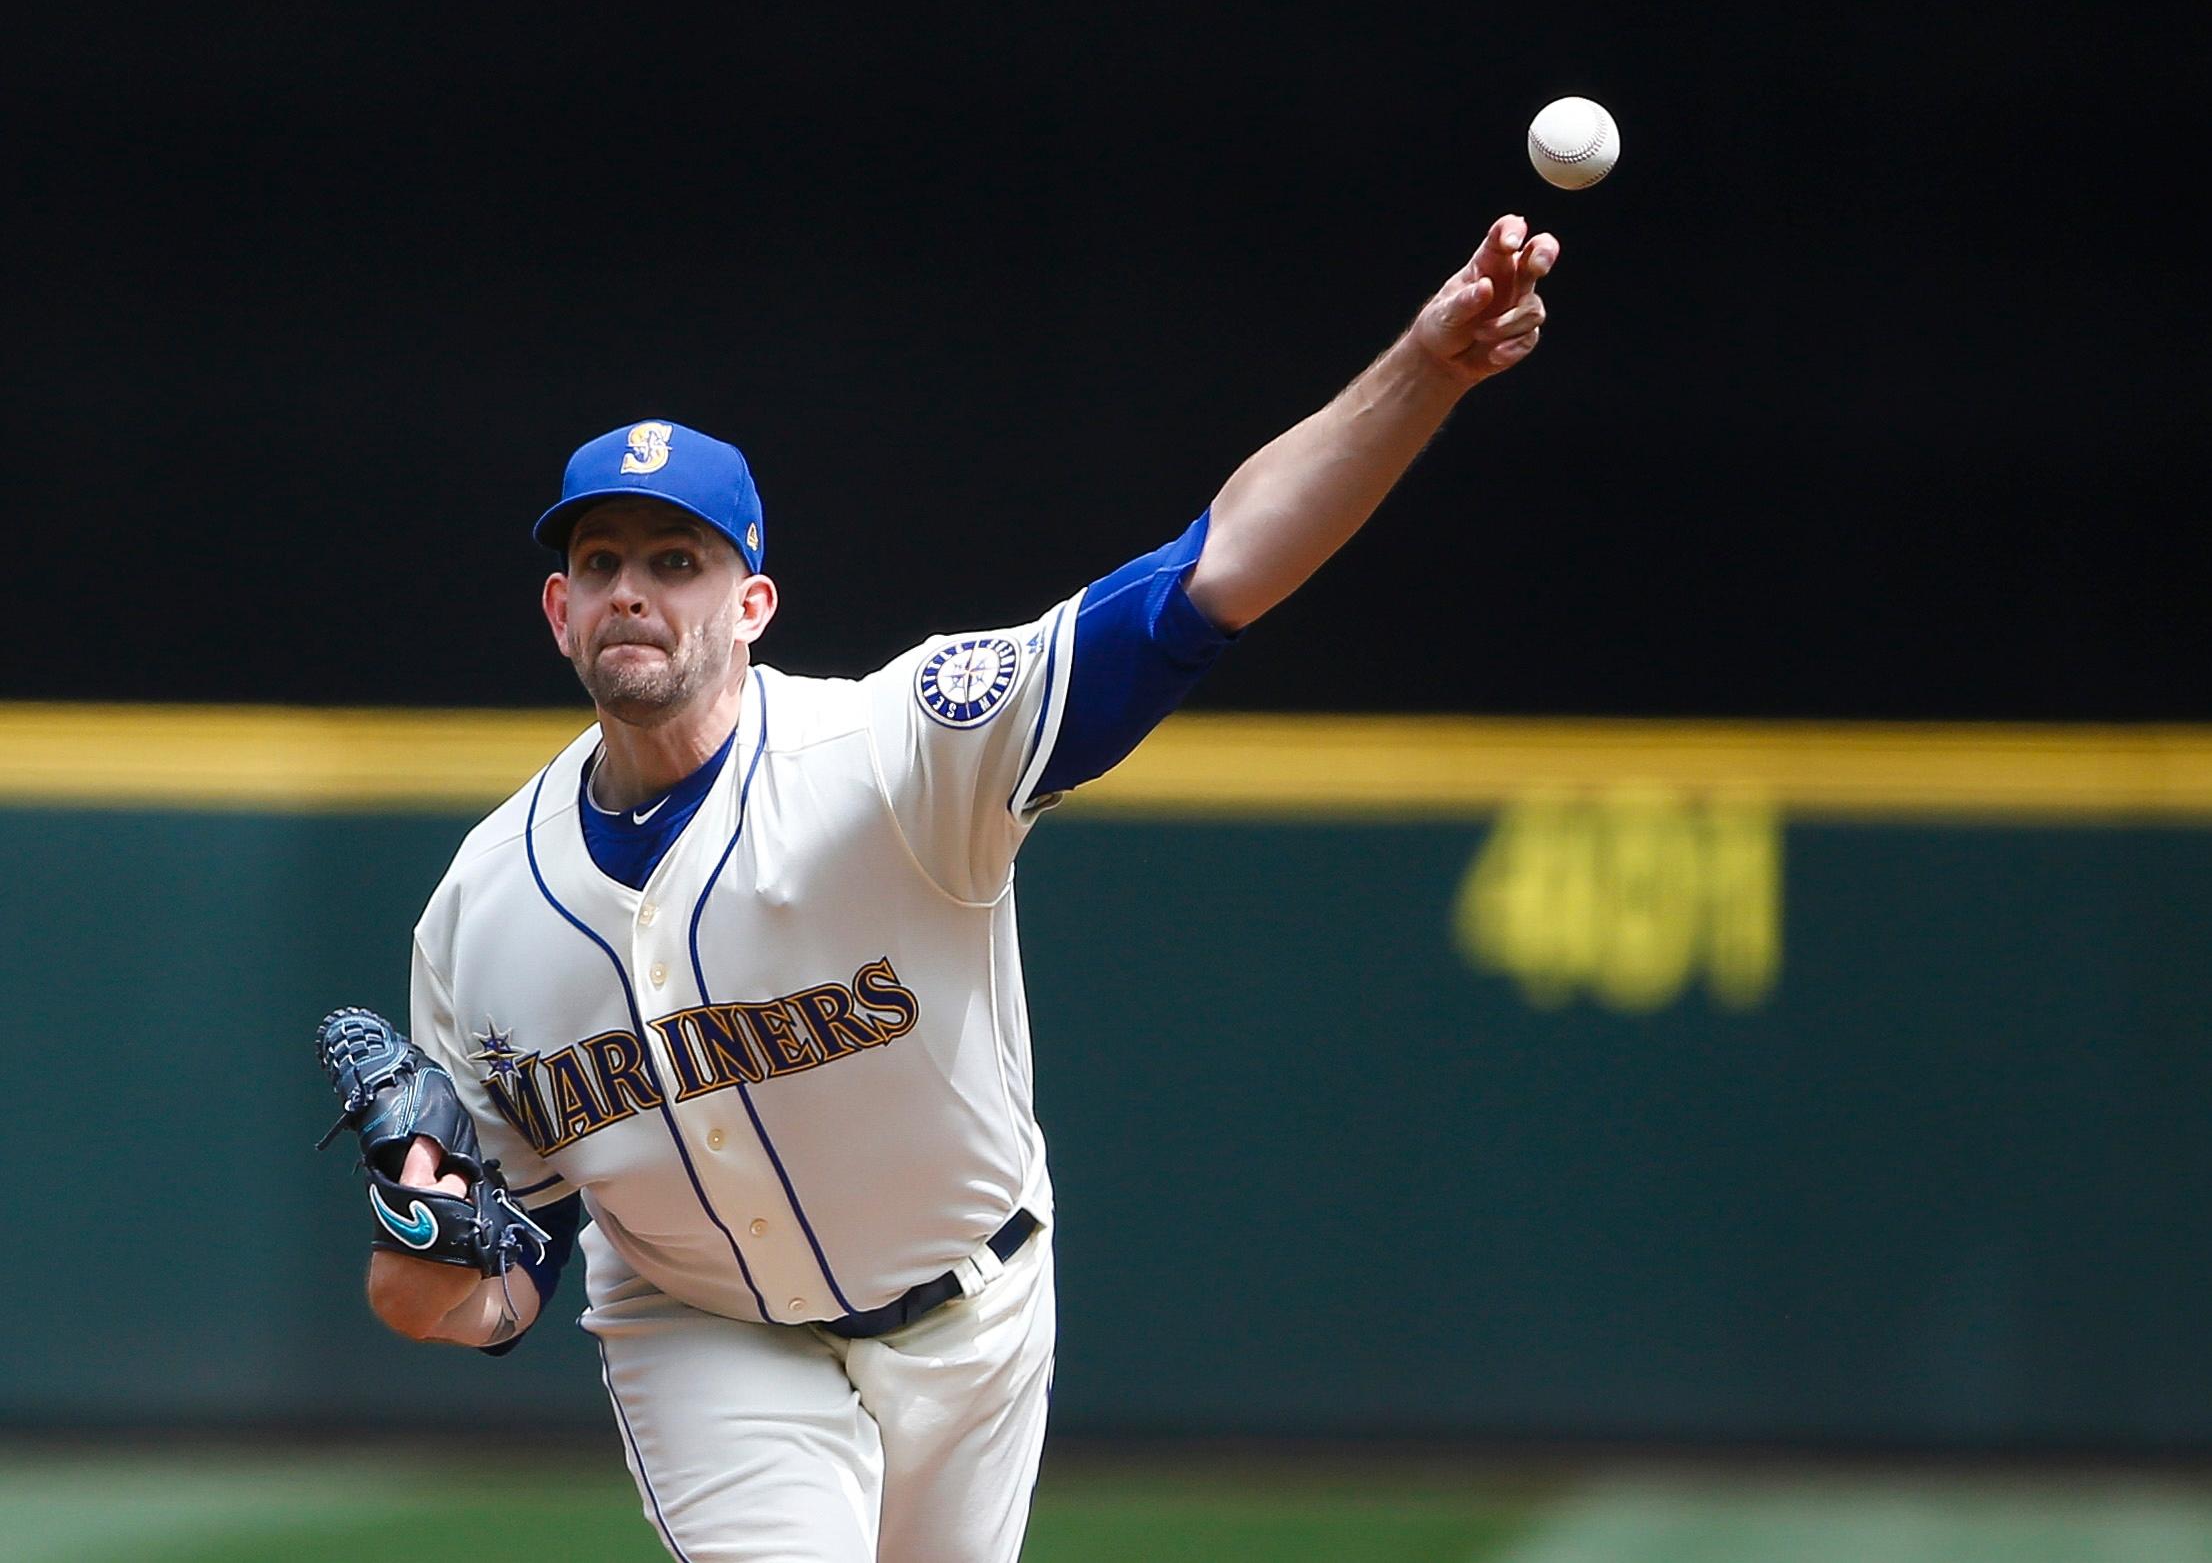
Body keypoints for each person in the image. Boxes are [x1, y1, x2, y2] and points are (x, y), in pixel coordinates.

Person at [365, 213, 1558, 1562]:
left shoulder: (894, 752)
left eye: (676, 561)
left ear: (751, 605)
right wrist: (429, 1235)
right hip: (703, 1335)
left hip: (973, 1312)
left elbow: (1205, 579)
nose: (635, 591)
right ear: (559, 613)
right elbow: (472, 1300)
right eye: (602, 565)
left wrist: (1426, 369)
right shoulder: (481, 908)